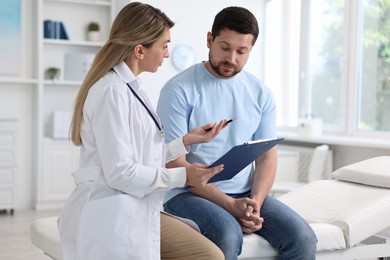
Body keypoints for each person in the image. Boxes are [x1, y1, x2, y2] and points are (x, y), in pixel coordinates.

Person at [57, 2, 226, 260]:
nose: (167, 54)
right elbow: (121, 173)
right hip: (112, 216)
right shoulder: (112, 92)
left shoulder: (130, 88)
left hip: (133, 207)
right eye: (164, 45)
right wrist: (183, 177)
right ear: (139, 50)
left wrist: (186, 140)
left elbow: (143, 154)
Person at [157, 6, 318, 260]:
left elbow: (266, 156)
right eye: (224, 47)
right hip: (185, 192)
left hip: (244, 193)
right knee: (228, 233)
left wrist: (253, 203)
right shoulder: (178, 90)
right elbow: (173, 162)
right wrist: (230, 206)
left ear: (251, 49)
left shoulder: (260, 93)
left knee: (303, 238)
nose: (231, 58)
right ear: (209, 40)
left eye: (241, 51)